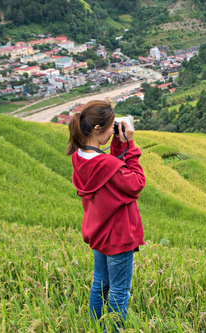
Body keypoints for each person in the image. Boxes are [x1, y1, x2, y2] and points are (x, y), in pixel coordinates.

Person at [66, 100, 145, 331]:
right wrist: (131, 145)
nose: (114, 130)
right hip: (118, 236)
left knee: (100, 283)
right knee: (120, 290)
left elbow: (112, 168)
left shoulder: (79, 156)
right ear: (98, 129)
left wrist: (120, 146)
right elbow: (136, 182)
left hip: (98, 231)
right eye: (111, 127)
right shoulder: (107, 164)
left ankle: (96, 326)